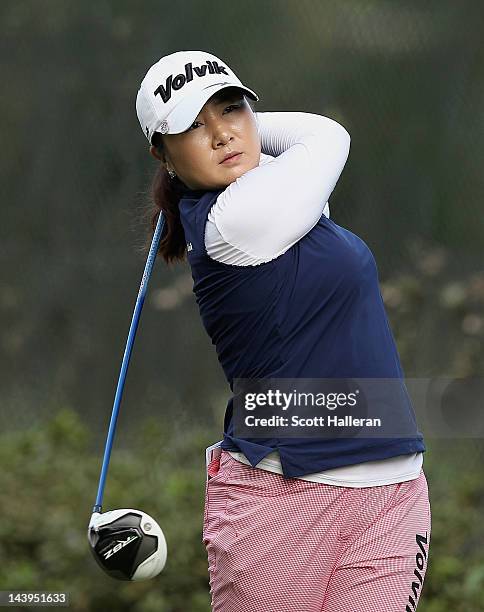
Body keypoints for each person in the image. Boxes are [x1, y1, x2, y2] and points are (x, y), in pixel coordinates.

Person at [136, 50, 431, 612]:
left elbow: (311, 143)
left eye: (231, 110)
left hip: (393, 491)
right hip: (284, 501)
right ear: (161, 153)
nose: (222, 134)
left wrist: (226, 134)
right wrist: (246, 133)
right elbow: (327, 136)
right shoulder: (231, 222)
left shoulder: (279, 190)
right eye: (193, 126)